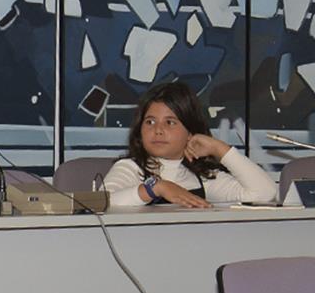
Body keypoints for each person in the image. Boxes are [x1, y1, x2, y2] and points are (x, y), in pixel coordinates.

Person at [103, 81, 277, 208]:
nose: (158, 130)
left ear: (190, 132)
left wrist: (219, 149)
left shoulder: (202, 177)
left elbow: (264, 193)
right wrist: (156, 188)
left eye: (170, 122)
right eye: (150, 122)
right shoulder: (130, 168)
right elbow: (102, 202)